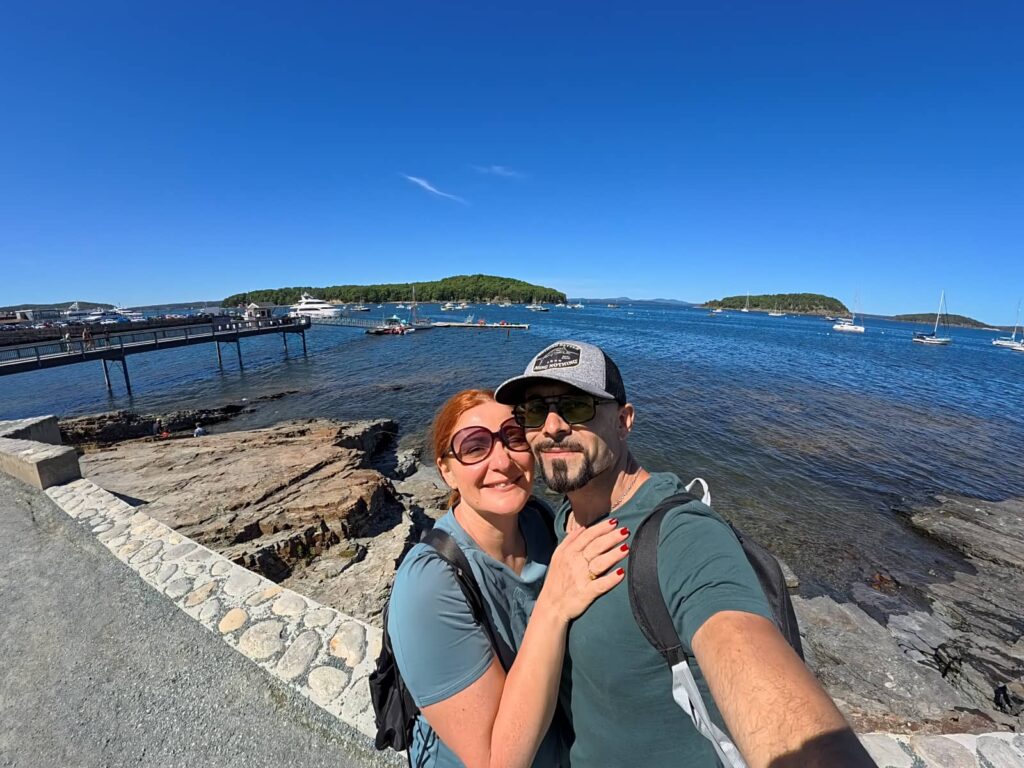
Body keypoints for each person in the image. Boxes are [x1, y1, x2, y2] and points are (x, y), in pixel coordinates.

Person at [494, 341, 875, 768]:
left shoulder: (683, 537)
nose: (552, 427)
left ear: (624, 421)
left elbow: (741, 646)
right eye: (533, 410)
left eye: (576, 407)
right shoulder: (564, 515)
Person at [387, 389, 630, 768]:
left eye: (513, 437)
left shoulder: (539, 521)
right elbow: (495, 762)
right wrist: (553, 605)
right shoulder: (430, 584)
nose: (502, 460)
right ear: (446, 471)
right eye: (474, 447)